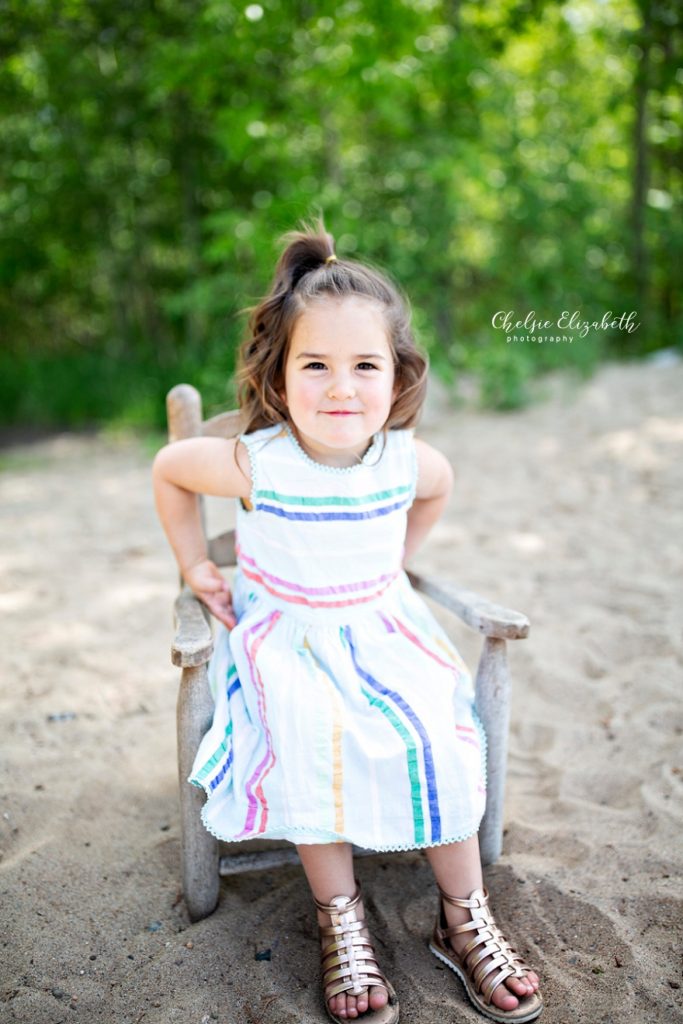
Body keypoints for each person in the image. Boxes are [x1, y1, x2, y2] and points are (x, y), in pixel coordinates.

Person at [152, 221, 543, 1024]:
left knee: (437, 726)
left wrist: (398, 555)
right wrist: (196, 566)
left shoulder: (401, 458)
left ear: (395, 376)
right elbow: (166, 470)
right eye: (315, 366)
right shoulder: (258, 462)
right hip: (287, 639)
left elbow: (440, 485)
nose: (340, 387)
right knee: (307, 733)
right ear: (280, 373)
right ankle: (341, 913)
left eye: (363, 366)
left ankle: (460, 913)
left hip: (382, 629)